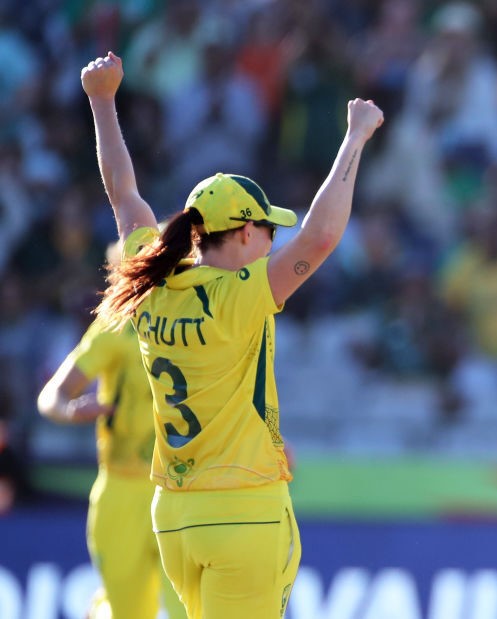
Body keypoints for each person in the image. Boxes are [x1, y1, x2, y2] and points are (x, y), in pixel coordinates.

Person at [81, 51, 383, 618]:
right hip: (243, 510)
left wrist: (101, 101)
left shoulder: (149, 277)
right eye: (267, 230)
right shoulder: (241, 293)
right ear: (244, 233)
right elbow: (319, 238)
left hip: (174, 514)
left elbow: (122, 193)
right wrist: (356, 138)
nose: (272, 240)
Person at [37, 246, 187, 619]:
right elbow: (51, 397)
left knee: (189, 610)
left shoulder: (194, 324)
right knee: (128, 613)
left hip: (180, 490)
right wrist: (71, 412)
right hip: (121, 489)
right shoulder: (115, 325)